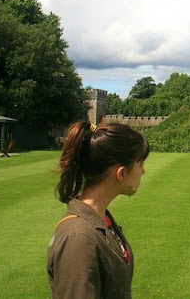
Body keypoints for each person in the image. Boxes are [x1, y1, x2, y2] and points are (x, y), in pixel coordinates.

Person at [47, 122, 150, 299]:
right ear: (121, 174)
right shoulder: (78, 238)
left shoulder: (101, 220)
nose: (143, 171)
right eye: (140, 164)